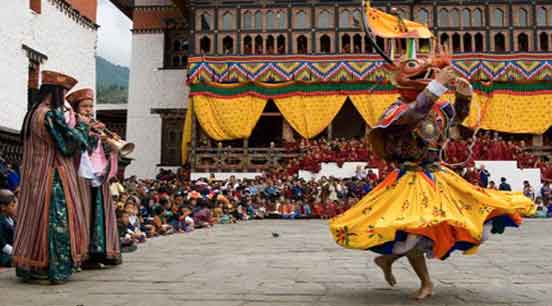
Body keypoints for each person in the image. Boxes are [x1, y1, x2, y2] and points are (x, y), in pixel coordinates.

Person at [329, 40, 535, 300]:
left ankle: (388, 260)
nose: (427, 75)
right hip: (409, 178)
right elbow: (414, 114)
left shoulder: (440, 107)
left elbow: (456, 119)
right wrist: (436, 87)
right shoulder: (396, 110)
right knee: (415, 229)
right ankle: (425, 282)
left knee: (466, 221)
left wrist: (463, 95)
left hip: (438, 175)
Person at [13, 71, 91, 284]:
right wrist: (82, 126)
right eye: (64, 93)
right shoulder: (48, 115)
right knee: (56, 220)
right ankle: (52, 267)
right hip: (53, 175)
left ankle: (32, 266)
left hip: (34, 176)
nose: (65, 99)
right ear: (56, 93)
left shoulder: (32, 114)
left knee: (35, 219)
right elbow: (67, 145)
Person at [67, 88, 122, 269]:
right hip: (81, 176)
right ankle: (84, 254)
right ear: (76, 108)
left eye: (91, 106)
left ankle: (100, 251)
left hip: (98, 176)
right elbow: (77, 148)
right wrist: (89, 134)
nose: (88, 110)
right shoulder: (72, 125)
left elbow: (101, 153)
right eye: (84, 106)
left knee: (99, 212)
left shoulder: (95, 126)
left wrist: (109, 142)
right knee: (85, 211)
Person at [0, 189, 17, 267]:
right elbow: (2, 244)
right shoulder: (1, 221)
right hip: (4, 254)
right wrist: (15, 252)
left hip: (12, 251)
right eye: (12, 206)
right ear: (3, 207)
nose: (15, 208)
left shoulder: (12, 219)